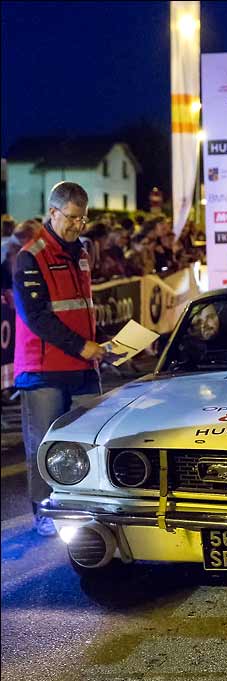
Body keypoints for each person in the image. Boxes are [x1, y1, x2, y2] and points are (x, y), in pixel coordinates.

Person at [12, 181, 106, 536]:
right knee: (43, 443)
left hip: (81, 364)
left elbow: (82, 306)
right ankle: (43, 511)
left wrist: (101, 343)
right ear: (52, 213)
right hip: (43, 369)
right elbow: (36, 316)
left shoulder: (80, 251)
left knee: (87, 438)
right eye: (72, 218)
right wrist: (82, 346)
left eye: (82, 219)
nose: (78, 225)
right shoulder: (30, 256)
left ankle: (80, 502)